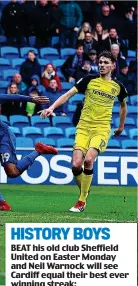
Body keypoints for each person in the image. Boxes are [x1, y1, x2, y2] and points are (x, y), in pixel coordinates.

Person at [39, 51, 128, 213]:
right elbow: (67, 95)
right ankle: (85, 191)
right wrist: (51, 108)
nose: (102, 65)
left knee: (88, 161)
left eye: (106, 62)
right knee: (75, 165)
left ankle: (81, 200)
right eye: (100, 62)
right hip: (83, 128)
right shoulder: (89, 80)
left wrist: (121, 126)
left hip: (101, 129)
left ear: (113, 66)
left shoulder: (118, 87)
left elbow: (123, 106)